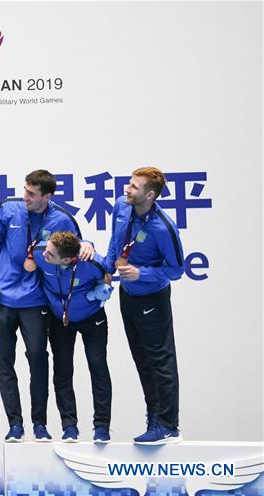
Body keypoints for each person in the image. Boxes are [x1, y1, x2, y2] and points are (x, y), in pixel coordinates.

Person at [0, 169, 91, 442]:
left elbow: (77, 250)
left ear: (47, 196)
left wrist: (89, 247)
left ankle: (40, 424)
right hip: (1, 299)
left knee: (38, 360)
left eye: (31, 193)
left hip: (35, 301)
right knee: (4, 362)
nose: (25, 196)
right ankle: (15, 424)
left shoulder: (62, 219)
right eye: (24, 189)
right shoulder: (8, 210)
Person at [105, 166, 184, 445]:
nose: (127, 189)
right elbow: (116, 243)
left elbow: (177, 269)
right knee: (142, 360)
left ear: (150, 195)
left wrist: (143, 274)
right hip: (127, 295)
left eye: (134, 187)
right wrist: (107, 269)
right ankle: (154, 417)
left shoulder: (162, 227)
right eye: (128, 183)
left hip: (153, 298)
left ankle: (168, 425)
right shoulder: (121, 207)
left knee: (161, 361)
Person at [35, 231, 113, 443]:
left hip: (92, 317)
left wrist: (104, 288)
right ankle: (69, 427)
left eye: (51, 254)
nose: (45, 255)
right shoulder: (40, 251)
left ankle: (102, 427)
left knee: (98, 367)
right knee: (62, 371)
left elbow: (107, 276)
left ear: (68, 259)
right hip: (61, 320)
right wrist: (85, 240)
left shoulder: (92, 263)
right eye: (46, 250)